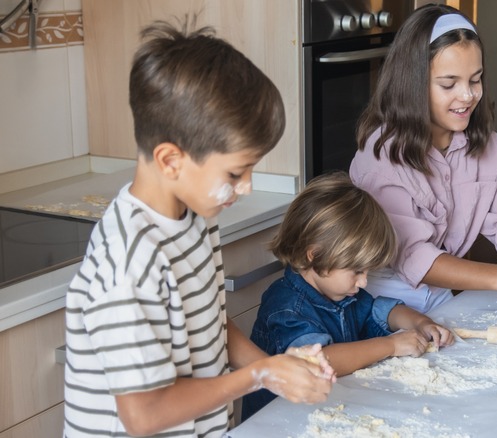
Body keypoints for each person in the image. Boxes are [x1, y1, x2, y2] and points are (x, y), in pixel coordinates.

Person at [63, 18, 335, 437]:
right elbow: (144, 415)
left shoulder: (193, 218)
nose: (245, 188)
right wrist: (260, 376)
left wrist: (272, 365)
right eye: (234, 173)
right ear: (171, 160)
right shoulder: (129, 264)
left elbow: (209, 324)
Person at [350, 4, 497, 313]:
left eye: (475, 79)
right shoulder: (383, 155)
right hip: (378, 303)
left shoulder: (488, 147)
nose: (468, 95)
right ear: (412, 85)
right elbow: (412, 256)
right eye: (449, 84)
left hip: (440, 295)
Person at [242, 172, 455, 419]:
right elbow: (319, 361)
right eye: (357, 271)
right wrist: (390, 345)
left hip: (324, 410)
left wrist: (421, 323)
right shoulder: (287, 307)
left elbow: (382, 311)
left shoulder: (340, 291)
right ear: (315, 255)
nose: (364, 281)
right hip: (276, 422)